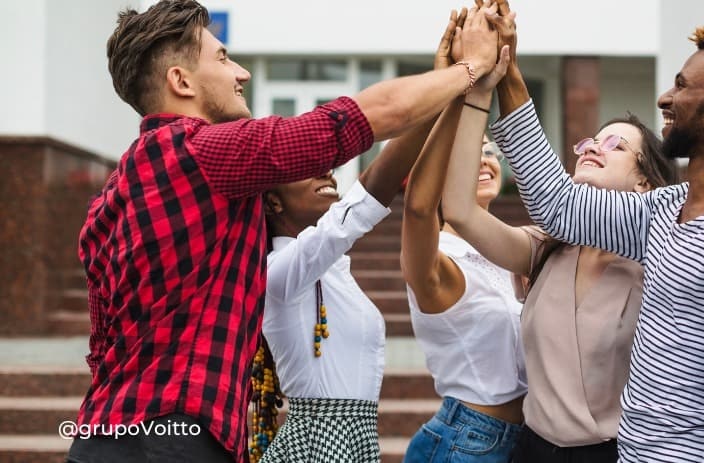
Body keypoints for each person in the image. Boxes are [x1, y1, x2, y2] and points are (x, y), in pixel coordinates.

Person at [67, 0, 500, 461]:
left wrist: (442, 83)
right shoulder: (203, 152)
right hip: (171, 442)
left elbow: (100, 348)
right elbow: (350, 122)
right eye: (221, 58)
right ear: (181, 81)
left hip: (102, 435)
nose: (241, 73)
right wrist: (470, 68)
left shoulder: (112, 195)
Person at [488, 3, 704, 461]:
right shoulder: (667, 208)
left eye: (681, 85)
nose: (664, 99)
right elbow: (559, 206)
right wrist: (508, 71)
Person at [247, 11, 469, 463]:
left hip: (354, 441)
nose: (326, 170)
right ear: (272, 202)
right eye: (305, 167)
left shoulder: (333, 267)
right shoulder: (277, 272)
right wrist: (445, 82)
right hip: (314, 448)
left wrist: (446, 91)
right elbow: (371, 192)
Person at [443, 38, 679, 459]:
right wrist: (477, 96)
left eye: (614, 145)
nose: (592, 148)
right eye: (589, 142)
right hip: (530, 449)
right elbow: (460, 211)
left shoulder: (660, 259)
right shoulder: (548, 247)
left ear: (645, 181)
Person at [399, 21, 524, 463]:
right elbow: (416, 208)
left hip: (522, 440)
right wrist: (458, 86)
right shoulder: (440, 259)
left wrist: (503, 58)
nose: (486, 160)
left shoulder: (508, 254)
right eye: (474, 152)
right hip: (466, 444)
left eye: (490, 151)